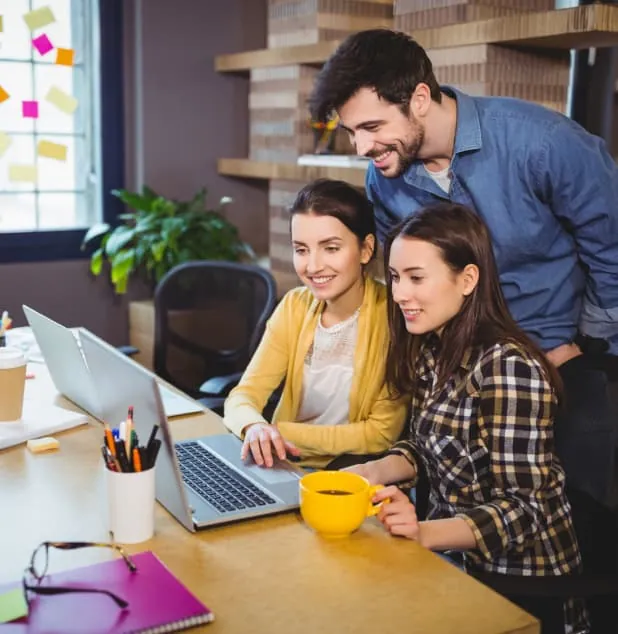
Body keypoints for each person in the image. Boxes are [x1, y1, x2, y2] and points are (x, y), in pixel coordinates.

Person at [308, 28, 617, 538]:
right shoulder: (385, 176)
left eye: (372, 126)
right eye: (351, 132)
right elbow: (405, 279)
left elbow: (611, 250)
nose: (363, 146)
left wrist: (584, 346)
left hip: (559, 367)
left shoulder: (544, 144)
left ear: (421, 99)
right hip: (456, 375)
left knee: (563, 536)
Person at [348, 202, 586, 634]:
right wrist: (370, 472)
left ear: (467, 279)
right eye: (397, 277)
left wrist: (422, 532)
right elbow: (429, 448)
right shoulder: (434, 346)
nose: (399, 293)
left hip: (518, 584)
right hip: (449, 563)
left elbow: (524, 511)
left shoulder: (508, 368)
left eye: (416, 278)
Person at [223, 178, 407, 469]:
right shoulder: (295, 306)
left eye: (331, 248)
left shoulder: (395, 316)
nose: (312, 266)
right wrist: (253, 427)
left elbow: (380, 434)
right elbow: (244, 395)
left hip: (350, 477)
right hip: (282, 464)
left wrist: (280, 432)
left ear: (365, 249)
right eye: (301, 249)